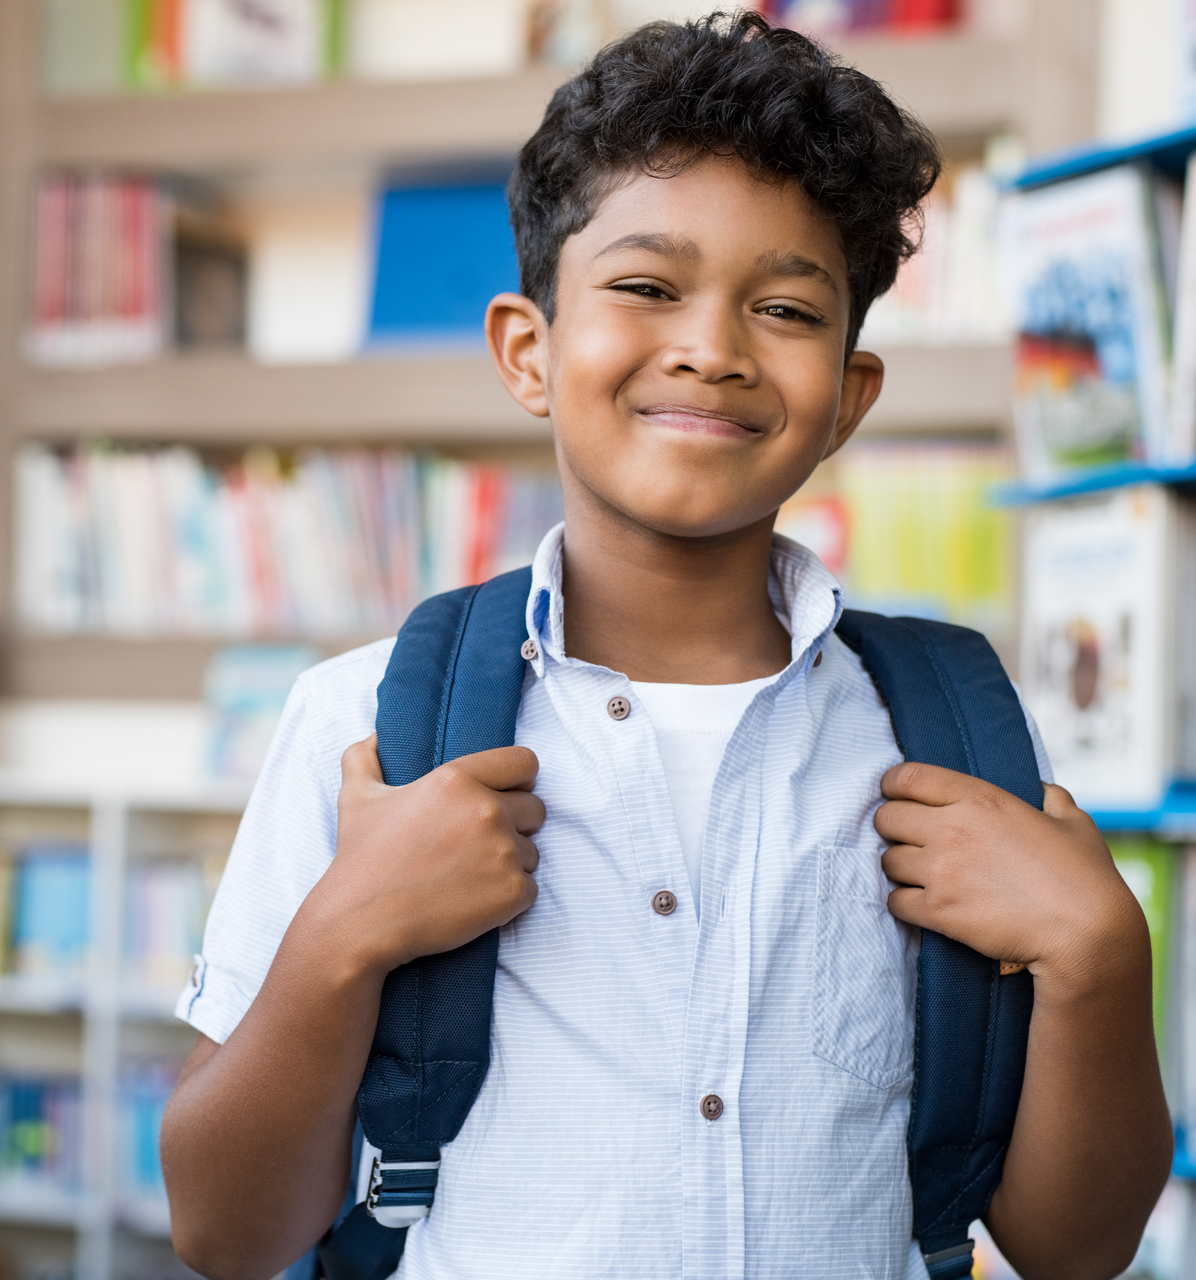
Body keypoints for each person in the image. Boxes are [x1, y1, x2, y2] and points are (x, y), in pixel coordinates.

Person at [159, 13, 1172, 1279]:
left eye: (787, 306)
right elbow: (223, 1232)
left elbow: (1073, 1249)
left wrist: (1099, 953)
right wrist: (343, 933)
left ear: (849, 399)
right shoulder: (365, 727)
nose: (712, 346)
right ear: (528, 351)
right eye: (646, 286)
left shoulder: (949, 733)